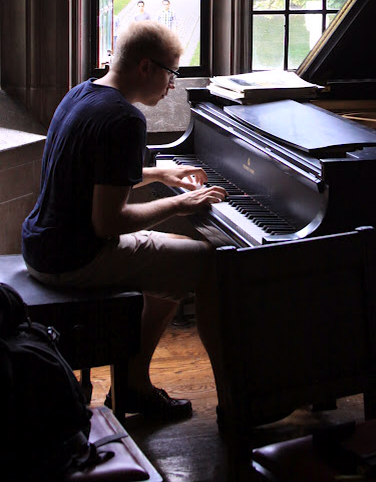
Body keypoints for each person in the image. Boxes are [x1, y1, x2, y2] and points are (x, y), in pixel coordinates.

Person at [21, 21, 227, 422]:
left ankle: (134, 382)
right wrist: (181, 204)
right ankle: (231, 398)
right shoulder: (125, 119)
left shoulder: (83, 93)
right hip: (74, 258)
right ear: (146, 67)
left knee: (174, 259)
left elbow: (94, 174)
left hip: (40, 243)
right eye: (171, 73)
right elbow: (108, 223)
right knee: (208, 262)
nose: (172, 85)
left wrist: (159, 173)